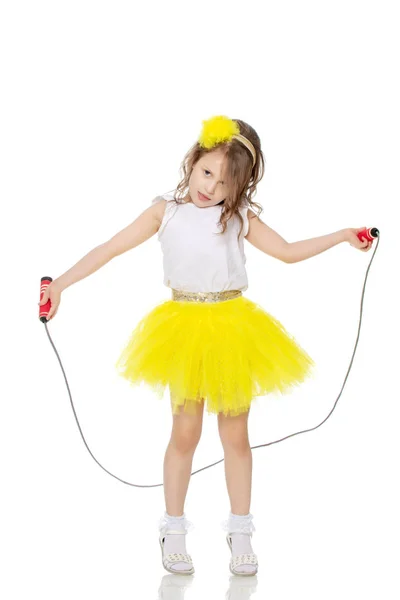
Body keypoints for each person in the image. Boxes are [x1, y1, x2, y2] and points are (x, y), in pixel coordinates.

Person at [38, 115, 373, 577]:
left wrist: (340, 237)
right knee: (185, 433)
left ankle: (241, 531)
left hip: (233, 327)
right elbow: (110, 248)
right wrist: (60, 285)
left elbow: (289, 251)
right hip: (184, 329)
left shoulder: (238, 218)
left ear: (240, 189)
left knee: (235, 436)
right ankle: (173, 528)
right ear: (192, 162)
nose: (211, 187)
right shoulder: (165, 211)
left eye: (224, 182)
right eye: (207, 172)